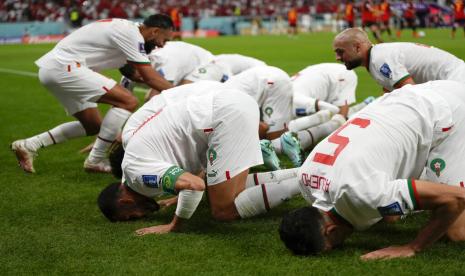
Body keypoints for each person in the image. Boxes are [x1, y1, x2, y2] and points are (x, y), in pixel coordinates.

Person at [279, 80, 465, 260]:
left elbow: (456, 198)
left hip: (447, 109)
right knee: (389, 211)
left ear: (331, 231)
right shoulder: (305, 179)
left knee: (457, 231)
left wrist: (412, 247)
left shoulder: (367, 193)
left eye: (332, 246)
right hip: (407, 98)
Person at [98, 82, 301, 234]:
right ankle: (303, 174)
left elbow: (194, 184)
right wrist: (180, 191)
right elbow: (192, 173)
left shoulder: (138, 176)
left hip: (221, 116)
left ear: (125, 202)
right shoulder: (133, 167)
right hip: (224, 107)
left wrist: (173, 226)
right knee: (224, 189)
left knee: (223, 210)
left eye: (131, 216)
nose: (140, 216)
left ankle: (303, 182)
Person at [11, 15, 174, 174]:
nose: (162, 45)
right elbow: (149, 77)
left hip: (56, 68)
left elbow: (134, 71)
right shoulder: (131, 34)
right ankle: (95, 160)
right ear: (155, 31)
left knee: (93, 125)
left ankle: (29, 145)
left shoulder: (128, 30)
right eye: (164, 40)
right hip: (65, 67)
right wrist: (182, 93)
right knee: (128, 101)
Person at [333, 28, 465, 92]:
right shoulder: (376, 57)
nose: (337, 58)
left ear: (357, 47)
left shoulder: (379, 59)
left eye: (340, 52)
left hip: (455, 79)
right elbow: (390, 93)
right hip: (452, 77)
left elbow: (411, 93)